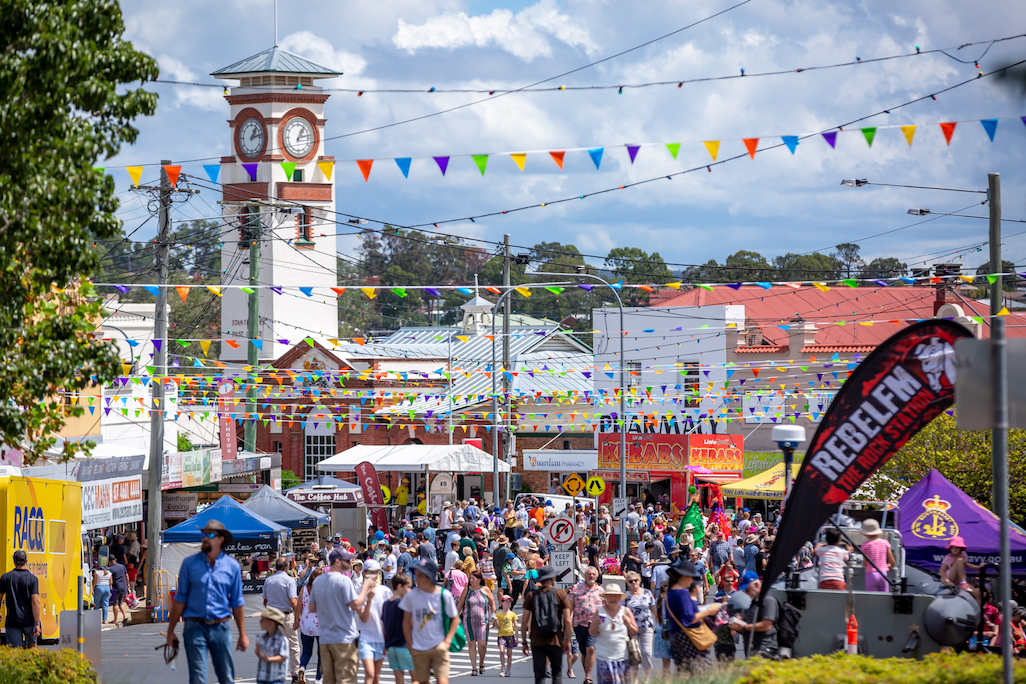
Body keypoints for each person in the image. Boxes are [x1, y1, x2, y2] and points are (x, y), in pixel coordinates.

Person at [165, 520, 248, 684]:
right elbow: (180, 599)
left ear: (220, 539)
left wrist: (242, 635)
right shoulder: (189, 564)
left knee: (227, 677)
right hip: (194, 627)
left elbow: (237, 602)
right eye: (203, 534)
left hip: (221, 627)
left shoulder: (232, 566)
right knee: (198, 679)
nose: (205, 538)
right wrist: (170, 630)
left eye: (210, 535)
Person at [309, 548, 376, 684]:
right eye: (347, 560)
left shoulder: (318, 581)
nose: (350, 563)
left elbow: (312, 608)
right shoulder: (343, 581)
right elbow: (356, 605)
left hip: (325, 639)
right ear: (337, 562)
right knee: (346, 679)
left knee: (329, 679)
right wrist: (366, 587)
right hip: (344, 639)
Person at [401, 557, 460, 684]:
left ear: (429, 577)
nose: (417, 578)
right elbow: (406, 622)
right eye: (416, 575)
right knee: (421, 681)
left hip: (439, 645)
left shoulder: (444, 595)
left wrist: (447, 641)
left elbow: (455, 619)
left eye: (420, 575)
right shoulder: (411, 596)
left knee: (442, 680)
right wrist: (410, 644)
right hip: (418, 647)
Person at [664, 558, 721, 673]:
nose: (692, 582)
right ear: (685, 576)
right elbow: (689, 618)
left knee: (683, 673)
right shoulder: (683, 593)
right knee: (700, 672)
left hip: (676, 637)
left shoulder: (670, 593)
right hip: (689, 639)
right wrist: (708, 611)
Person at [522, 565, 573, 684]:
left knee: (539, 676)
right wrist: (567, 640)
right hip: (556, 639)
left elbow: (524, 621)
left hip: (537, 640)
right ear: (552, 578)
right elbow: (567, 620)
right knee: (557, 674)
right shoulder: (560, 594)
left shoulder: (532, 595)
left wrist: (524, 642)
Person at [589, 582, 638, 684]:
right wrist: (596, 624)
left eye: (615, 596)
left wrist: (628, 623)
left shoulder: (625, 611)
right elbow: (592, 633)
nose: (613, 599)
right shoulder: (599, 611)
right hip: (604, 657)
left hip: (622, 657)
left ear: (619, 597)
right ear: (606, 597)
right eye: (610, 596)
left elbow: (634, 631)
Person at [263, 557, 301, 681]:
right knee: (293, 645)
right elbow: (293, 601)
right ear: (287, 567)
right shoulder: (289, 581)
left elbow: (265, 601)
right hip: (286, 615)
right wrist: (297, 617)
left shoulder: (268, 580)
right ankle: (295, 674)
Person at [356, 559, 393, 684]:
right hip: (366, 639)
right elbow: (363, 618)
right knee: (370, 675)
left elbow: (389, 618)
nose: (373, 575)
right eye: (370, 572)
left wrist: (389, 640)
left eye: (376, 572)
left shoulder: (385, 591)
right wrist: (369, 599)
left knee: (376, 677)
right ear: (364, 572)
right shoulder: (359, 593)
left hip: (381, 640)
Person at [568, 566, 604, 683]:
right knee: (584, 651)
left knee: (591, 648)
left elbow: (606, 609)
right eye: (589, 574)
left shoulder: (600, 591)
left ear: (596, 576)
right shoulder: (576, 589)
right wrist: (567, 622)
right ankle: (586, 675)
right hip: (579, 624)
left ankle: (588, 676)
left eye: (593, 574)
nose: (591, 576)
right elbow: (570, 606)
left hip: (594, 625)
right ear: (585, 575)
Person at [458, 570, 497, 675]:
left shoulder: (485, 589)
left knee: (482, 644)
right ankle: (474, 667)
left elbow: (492, 604)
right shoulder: (466, 590)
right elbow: (460, 604)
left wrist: (494, 616)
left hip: (483, 621)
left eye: (473, 578)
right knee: (471, 644)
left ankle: (481, 662)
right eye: (470, 578)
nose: (471, 580)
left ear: (479, 579)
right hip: (468, 620)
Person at [0, 550, 41, 648]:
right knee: (32, 653)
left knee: (15, 654)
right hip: (29, 622)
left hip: (13, 621)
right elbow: (35, 601)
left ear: (14, 562)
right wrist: (37, 623)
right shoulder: (33, 579)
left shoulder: (6, 578)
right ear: (26, 561)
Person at [731, 577, 779, 660]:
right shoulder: (753, 602)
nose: (746, 593)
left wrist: (745, 627)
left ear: (756, 585)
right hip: (752, 646)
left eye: (747, 590)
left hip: (764, 647)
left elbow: (767, 625)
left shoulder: (768, 600)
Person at [624, 571, 656, 682]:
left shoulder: (647, 593)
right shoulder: (625, 596)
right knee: (634, 654)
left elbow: (653, 609)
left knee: (646, 652)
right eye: (630, 581)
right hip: (632, 629)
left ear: (639, 580)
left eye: (635, 580)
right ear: (627, 583)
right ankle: (635, 679)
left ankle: (646, 677)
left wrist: (659, 622)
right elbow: (621, 612)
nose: (633, 583)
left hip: (647, 626)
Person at [383, 574, 415, 684]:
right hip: (405, 645)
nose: (410, 591)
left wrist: (385, 644)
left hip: (391, 646)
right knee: (417, 678)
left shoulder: (386, 604)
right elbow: (412, 623)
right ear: (400, 586)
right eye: (408, 587)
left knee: (399, 679)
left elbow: (384, 625)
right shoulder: (404, 603)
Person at [297, 567, 323, 684]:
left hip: (306, 623)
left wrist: (296, 620)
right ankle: (318, 678)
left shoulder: (304, 589)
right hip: (321, 625)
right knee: (322, 653)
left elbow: (298, 607)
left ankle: (302, 668)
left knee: (306, 651)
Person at [255, 606, 291, 684]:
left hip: (276, 677)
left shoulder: (282, 639)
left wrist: (268, 659)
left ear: (271, 623)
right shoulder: (263, 637)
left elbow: (283, 657)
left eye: (263, 620)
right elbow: (260, 654)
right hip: (262, 676)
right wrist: (258, 650)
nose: (260, 621)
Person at [941, 535, 982, 603]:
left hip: (959, 580)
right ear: (950, 548)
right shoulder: (948, 557)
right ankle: (963, 582)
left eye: (957, 547)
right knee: (960, 560)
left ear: (961, 549)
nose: (955, 549)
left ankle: (980, 612)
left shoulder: (963, 555)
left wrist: (978, 567)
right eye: (953, 547)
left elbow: (966, 564)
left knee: (977, 594)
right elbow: (941, 571)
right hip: (950, 577)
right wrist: (947, 581)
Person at [859, 520, 895, 593]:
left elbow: (865, 563)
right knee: (884, 598)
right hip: (883, 574)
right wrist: (888, 566)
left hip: (871, 574)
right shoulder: (885, 542)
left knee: (872, 598)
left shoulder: (865, 545)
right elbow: (892, 561)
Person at [494, 594, 518, 677]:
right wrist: (496, 620)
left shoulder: (512, 614)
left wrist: (517, 638)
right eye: (506, 602)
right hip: (501, 635)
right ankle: (503, 668)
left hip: (510, 635)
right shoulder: (499, 614)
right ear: (502, 603)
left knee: (509, 653)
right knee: (501, 650)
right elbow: (498, 626)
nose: (508, 604)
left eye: (509, 602)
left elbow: (515, 626)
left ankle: (508, 670)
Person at [108, 556, 129, 627]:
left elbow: (110, 580)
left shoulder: (111, 569)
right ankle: (125, 616)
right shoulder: (122, 566)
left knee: (115, 603)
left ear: (109, 561)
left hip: (116, 587)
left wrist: (110, 586)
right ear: (115, 559)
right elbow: (127, 576)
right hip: (123, 586)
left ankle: (115, 619)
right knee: (121, 602)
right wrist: (127, 584)